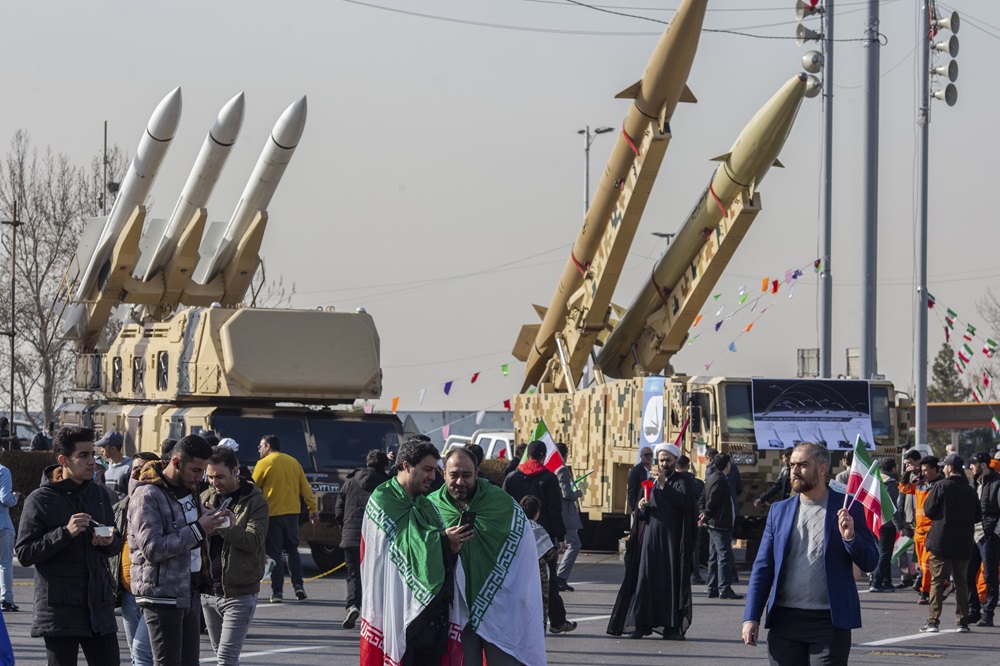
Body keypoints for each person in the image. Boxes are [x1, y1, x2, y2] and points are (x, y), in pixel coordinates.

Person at [742, 442, 878, 664]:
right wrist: (751, 618)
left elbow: (871, 561)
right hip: (784, 622)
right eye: (792, 465)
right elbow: (763, 568)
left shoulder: (848, 508)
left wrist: (850, 537)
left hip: (829, 624)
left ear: (822, 468)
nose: (794, 470)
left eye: (803, 465)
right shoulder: (779, 511)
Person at [14, 426, 122, 665]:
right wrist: (64, 533)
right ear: (63, 460)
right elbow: (24, 553)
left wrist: (108, 541)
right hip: (59, 611)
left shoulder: (100, 495)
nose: (92, 461)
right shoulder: (40, 499)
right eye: (83, 455)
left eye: (93, 454)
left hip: (99, 607)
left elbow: (116, 544)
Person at [429, 447, 546, 665]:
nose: (460, 482)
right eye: (454, 475)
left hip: (499, 607)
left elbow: (524, 553)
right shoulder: (431, 507)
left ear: (477, 472)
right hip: (454, 611)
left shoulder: (502, 504)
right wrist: (443, 541)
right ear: (443, 473)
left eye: (467, 475)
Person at [360, 438, 467, 665]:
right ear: (406, 466)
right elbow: (396, 549)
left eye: (434, 470)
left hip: (433, 615)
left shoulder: (426, 505)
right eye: (427, 469)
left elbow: (430, 549)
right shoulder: (382, 501)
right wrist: (442, 539)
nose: (433, 476)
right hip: (397, 611)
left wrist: (451, 546)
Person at [130, 434, 233, 666]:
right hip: (162, 595)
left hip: (189, 592)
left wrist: (216, 521)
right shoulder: (147, 494)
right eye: (196, 471)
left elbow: (190, 532)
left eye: (203, 471)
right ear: (176, 463)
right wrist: (199, 529)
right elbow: (152, 548)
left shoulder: (189, 488)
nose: (200, 478)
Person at [620, 441, 697, 640]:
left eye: (667, 460)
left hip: (671, 542)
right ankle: (641, 624)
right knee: (645, 581)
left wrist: (663, 484)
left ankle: (671, 627)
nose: (664, 464)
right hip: (650, 540)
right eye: (661, 460)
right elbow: (644, 513)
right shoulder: (650, 482)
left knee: (669, 583)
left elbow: (681, 503)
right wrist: (641, 507)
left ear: (675, 461)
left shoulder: (682, 481)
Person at [201, 445, 270, 665]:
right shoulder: (205, 496)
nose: (214, 482)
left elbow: (254, 541)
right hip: (208, 591)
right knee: (220, 655)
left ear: (235, 471)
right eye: (210, 477)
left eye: (220, 476)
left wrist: (224, 525)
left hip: (239, 592)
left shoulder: (254, 501)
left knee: (225, 660)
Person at [503, 440, 575, 634]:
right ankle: (557, 621)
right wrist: (560, 536)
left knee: (515, 579)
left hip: (515, 536)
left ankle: (512, 620)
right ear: (543, 456)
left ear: (527, 455)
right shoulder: (549, 478)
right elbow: (554, 509)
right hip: (543, 539)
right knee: (548, 580)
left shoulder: (511, 477)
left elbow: (503, 507)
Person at [253, 434, 318, 603]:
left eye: (261, 446)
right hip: (292, 514)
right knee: (292, 550)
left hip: (272, 515)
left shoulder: (263, 464)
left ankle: (277, 592)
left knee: (274, 554)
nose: (259, 450)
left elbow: (253, 489)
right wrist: (312, 509)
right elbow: (305, 488)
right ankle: (298, 586)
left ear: (268, 446)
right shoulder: (293, 462)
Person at [920, 453, 980, 633]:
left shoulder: (941, 486)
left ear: (949, 468)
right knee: (961, 582)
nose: (943, 468)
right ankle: (962, 621)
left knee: (937, 581)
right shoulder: (970, 490)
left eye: (944, 466)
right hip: (963, 541)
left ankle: (933, 621)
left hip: (941, 541)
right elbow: (978, 515)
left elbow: (929, 510)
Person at [111, 452, 159, 666]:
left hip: (152, 593)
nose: (138, 473)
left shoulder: (162, 503)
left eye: (144, 468)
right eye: (135, 469)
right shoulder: (121, 507)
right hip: (127, 592)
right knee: (136, 654)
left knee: (141, 652)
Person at [334, 448, 389, 629]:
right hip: (375, 539)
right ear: (384, 465)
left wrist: (344, 528)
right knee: (376, 577)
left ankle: (352, 606)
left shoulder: (350, 481)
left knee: (353, 574)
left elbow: (339, 508)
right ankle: (373, 613)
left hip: (351, 536)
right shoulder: (387, 484)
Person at [900, 455, 943, 605]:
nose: (923, 473)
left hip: (932, 531)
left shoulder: (940, 485)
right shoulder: (919, 485)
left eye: (925, 470)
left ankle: (925, 592)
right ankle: (943, 584)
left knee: (926, 563)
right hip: (919, 531)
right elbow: (903, 488)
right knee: (922, 564)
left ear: (934, 469)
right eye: (922, 470)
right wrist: (907, 472)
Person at [700, 453, 742, 600]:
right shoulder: (720, 480)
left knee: (714, 556)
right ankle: (724, 588)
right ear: (727, 465)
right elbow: (712, 500)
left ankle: (712, 587)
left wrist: (703, 514)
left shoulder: (712, 477)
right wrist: (706, 514)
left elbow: (703, 498)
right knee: (724, 556)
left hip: (714, 523)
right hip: (720, 524)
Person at [966, 450, 1000, 626]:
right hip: (973, 535)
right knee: (967, 574)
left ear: (983, 465)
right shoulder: (974, 483)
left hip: (989, 536)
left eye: (973, 464)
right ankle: (974, 611)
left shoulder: (997, 483)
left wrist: (995, 533)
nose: (971, 467)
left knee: (990, 576)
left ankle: (988, 614)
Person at [870, 457, 906, 593]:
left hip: (875, 521)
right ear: (893, 468)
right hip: (887, 523)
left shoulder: (876, 480)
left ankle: (886, 581)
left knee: (883, 553)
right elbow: (892, 507)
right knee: (885, 554)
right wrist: (900, 526)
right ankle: (876, 582)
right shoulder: (890, 483)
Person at [554, 441, 582, 592]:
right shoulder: (562, 469)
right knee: (574, 544)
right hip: (565, 514)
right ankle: (561, 576)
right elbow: (567, 494)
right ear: (564, 455)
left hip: (557, 513)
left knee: (556, 546)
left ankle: (554, 577)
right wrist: (577, 494)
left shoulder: (551, 467)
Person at [677, 455, 705, 585]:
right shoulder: (698, 483)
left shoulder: (674, 482)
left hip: (678, 520)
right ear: (688, 466)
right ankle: (696, 574)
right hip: (694, 519)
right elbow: (703, 500)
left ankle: (679, 573)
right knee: (694, 548)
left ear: (677, 466)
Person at [0, 448, 20, 613]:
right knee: (5, 563)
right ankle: (6, 600)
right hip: (2, 524)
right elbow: (5, 499)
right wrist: (15, 497)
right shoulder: (3, 471)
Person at [97, 431, 132, 500]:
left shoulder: (130, 467)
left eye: (103, 447)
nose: (101, 450)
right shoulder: (106, 468)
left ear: (113, 449)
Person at [627, 446, 653, 516]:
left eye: (651, 454)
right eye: (646, 455)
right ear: (641, 456)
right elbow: (631, 491)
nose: (649, 457)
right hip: (641, 505)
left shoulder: (655, 469)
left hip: (653, 504)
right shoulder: (635, 471)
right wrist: (634, 509)